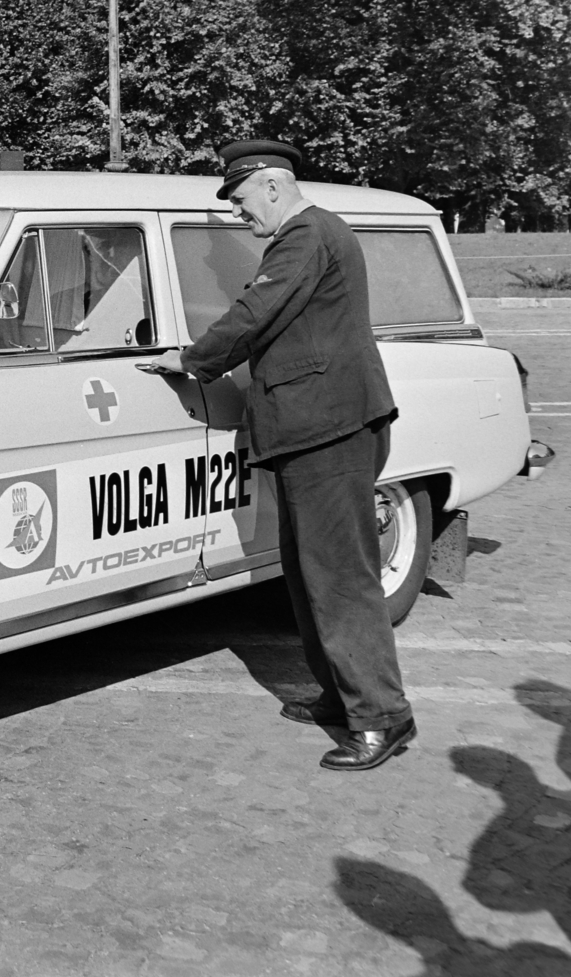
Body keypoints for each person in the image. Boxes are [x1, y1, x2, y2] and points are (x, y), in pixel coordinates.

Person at [179, 139, 414, 772]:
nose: (238, 214)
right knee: (312, 573)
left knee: (340, 579)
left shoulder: (305, 235)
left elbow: (256, 312)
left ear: (274, 187)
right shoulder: (312, 232)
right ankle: (343, 698)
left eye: (242, 199)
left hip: (327, 430)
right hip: (315, 427)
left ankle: (382, 718)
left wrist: (192, 361)